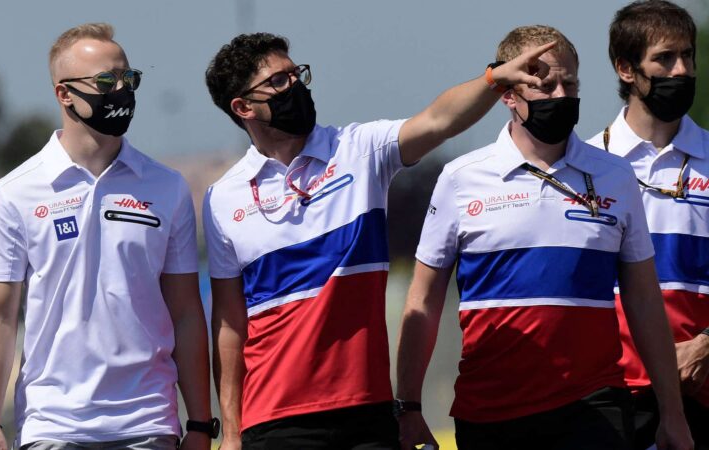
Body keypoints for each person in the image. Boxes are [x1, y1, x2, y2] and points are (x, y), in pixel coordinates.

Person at [202, 31, 558, 450]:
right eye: (278, 82)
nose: (295, 86)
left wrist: (494, 80)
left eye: (296, 74)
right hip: (275, 420)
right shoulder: (223, 198)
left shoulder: (358, 150)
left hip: (367, 414)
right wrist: (230, 428)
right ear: (243, 108)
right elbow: (229, 324)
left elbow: (438, 120)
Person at [396, 25, 693, 450]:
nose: (559, 94)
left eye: (568, 83)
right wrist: (407, 407)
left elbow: (644, 299)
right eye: (542, 83)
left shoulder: (615, 175)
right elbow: (422, 302)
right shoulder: (461, 179)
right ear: (507, 94)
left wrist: (673, 413)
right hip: (491, 411)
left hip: (595, 407)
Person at [0, 23, 214, 450]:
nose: (121, 90)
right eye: (106, 81)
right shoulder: (15, 191)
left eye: (128, 78)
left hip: (148, 423)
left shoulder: (168, 186)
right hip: (51, 427)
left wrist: (199, 422)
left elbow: (186, 312)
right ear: (63, 94)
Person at [584, 1, 709, 448]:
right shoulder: (583, 166)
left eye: (689, 56)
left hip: (701, 385)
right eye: (664, 58)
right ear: (625, 68)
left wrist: (706, 345)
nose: (682, 70)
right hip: (607, 397)